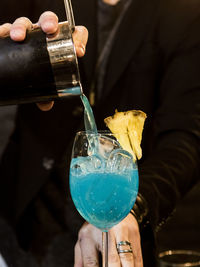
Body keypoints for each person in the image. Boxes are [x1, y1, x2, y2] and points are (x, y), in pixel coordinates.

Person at [0, 0, 200, 266]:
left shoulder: (184, 12)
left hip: (122, 222)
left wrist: (134, 207)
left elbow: (185, 136)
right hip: (27, 219)